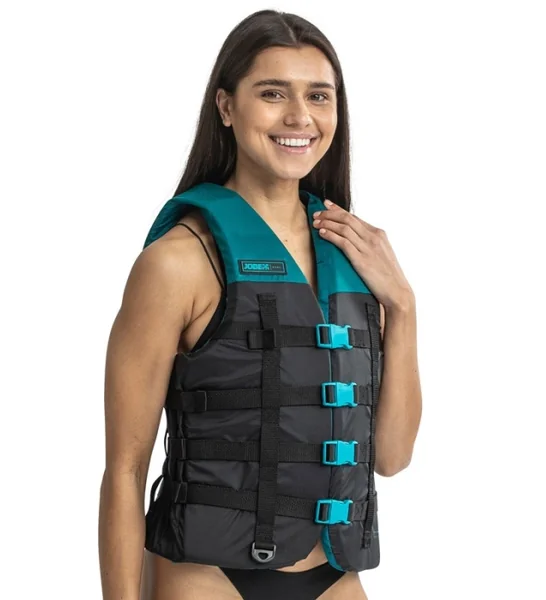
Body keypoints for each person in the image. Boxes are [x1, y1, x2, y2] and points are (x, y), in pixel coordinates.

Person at [98, 9, 422, 600]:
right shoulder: (177, 263)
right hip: (206, 576)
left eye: (318, 96)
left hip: (334, 577)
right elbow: (125, 469)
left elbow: (392, 457)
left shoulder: (355, 260)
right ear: (226, 107)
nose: (299, 117)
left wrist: (402, 306)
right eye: (273, 93)